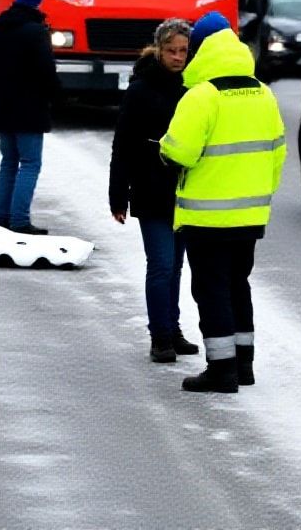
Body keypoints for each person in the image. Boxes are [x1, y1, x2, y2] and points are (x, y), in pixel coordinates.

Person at [160, 12, 285, 394]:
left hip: (207, 216)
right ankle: (244, 364)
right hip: (250, 215)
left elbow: (179, 153)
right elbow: (277, 153)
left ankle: (221, 369)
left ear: (200, 51)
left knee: (211, 290)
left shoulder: (202, 96)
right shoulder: (263, 93)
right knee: (237, 286)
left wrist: (163, 149)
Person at [108, 18, 200, 363]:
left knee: (175, 266)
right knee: (161, 265)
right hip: (150, 188)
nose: (178, 57)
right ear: (158, 50)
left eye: (183, 51)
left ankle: (171, 328)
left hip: (184, 191)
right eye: (172, 51)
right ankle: (159, 335)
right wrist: (118, 194)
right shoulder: (141, 88)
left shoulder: (193, 87)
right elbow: (123, 145)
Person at [0, 0, 57, 235]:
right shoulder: (36, 32)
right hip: (30, 109)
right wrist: (56, 95)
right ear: (37, 1)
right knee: (30, 163)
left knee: (9, 161)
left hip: (3, 106)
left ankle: (3, 215)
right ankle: (20, 220)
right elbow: (47, 72)